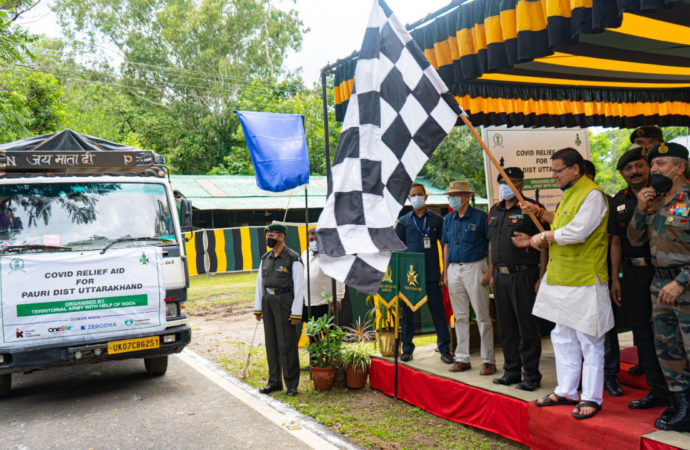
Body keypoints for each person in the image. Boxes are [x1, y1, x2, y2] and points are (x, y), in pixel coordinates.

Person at [514, 148, 613, 420]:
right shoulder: (569, 193)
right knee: (562, 335)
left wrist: (542, 237)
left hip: (584, 278)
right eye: (553, 170)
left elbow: (577, 232)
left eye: (557, 170)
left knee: (589, 339)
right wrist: (540, 212)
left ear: (575, 169)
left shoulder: (592, 194)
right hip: (561, 277)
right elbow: (563, 224)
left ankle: (591, 397)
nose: (553, 175)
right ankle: (566, 390)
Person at [628, 142, 690, 432]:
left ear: (680, 167)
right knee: (668, 348)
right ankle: (682, 404)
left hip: (684, 283)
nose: (653, 170)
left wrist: (682, 281)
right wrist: (640, 209)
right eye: (652, 165)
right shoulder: (655, 200)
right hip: (660, 283)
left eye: (661, 164)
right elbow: (635, 240)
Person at [609, 147, 670, 411]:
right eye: (627, 169)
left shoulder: (666, 194)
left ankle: (678, 391)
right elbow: (615, 242)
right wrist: (616, 278)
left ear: (648, 168)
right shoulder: (618, 200)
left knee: (669, 333)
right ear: (622, 174)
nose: (634, 172)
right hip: (632, 273)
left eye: (638, 166)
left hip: (662, 272)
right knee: (642, 333)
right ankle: (657, 390)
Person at [487, 167, 547, 391]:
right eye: (502, 182)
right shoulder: (495, 210)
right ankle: (511, 371)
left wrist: (542, 276)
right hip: (500, 276)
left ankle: (531, 375)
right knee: (506, 326)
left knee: (527, 327)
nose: (505, 186)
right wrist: (492, 271)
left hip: (524, 275)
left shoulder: (532, 209)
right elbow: (492, 243)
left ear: (521, 185)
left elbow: (544, 243)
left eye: (510, 182)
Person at [441, 180, 495, 375]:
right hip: (454, 268)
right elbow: (445, 245)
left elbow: (491, 244)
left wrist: (489, 270)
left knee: (482, 315)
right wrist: (446, 272)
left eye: (454, 196)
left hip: (475, 267)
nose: (451, 199)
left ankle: (488, 360)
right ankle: (462, 358)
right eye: (450, 196)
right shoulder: (448, 219)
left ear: (466, 197)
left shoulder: (481, 217)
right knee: (460, 316)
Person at [395, 183, 453, 364]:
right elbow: (397, 249)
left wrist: (445, 272)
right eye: (413, 195)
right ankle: (407, 349)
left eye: (419, 194)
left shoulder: (437, 220)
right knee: (408, 316)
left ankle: (444, 349)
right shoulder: (403, 221)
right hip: (410, 278)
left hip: (432, 275)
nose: (416, 197)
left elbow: (445, 246)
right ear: (408, 199)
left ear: (426, 196)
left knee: (438, 314)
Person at [584, 160, 624, 397]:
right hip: (578, 276)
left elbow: (612, 240)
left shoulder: (606, 201)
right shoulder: (568, 202)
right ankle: (588, 376)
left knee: (606, 326)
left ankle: (610, 375)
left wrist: (614, 276)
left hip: (602, 272)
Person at [253, 223, 304, 396]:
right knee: (272, 343)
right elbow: (260, 283)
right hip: (268, 301)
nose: (269, 238)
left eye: (272, 235)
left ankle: (291, 384)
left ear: (281, 236)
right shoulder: (265, 258)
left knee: (287, 344)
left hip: (285, 301)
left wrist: (296, 312)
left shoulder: (292, 258)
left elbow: (299, 287)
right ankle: (274, 382)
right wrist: (258, 308)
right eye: (268, 235)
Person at [300, 228, 344, 368]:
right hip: (309, 301)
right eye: (310, 240)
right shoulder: (305, 254)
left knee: (330, 333)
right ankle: (315, 362)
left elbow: (339, 277)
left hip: (326, 301)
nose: (312, 242)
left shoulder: (331, 255)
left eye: (315, 240)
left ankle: (334, 361)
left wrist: (339, 297)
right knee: (313, 334)